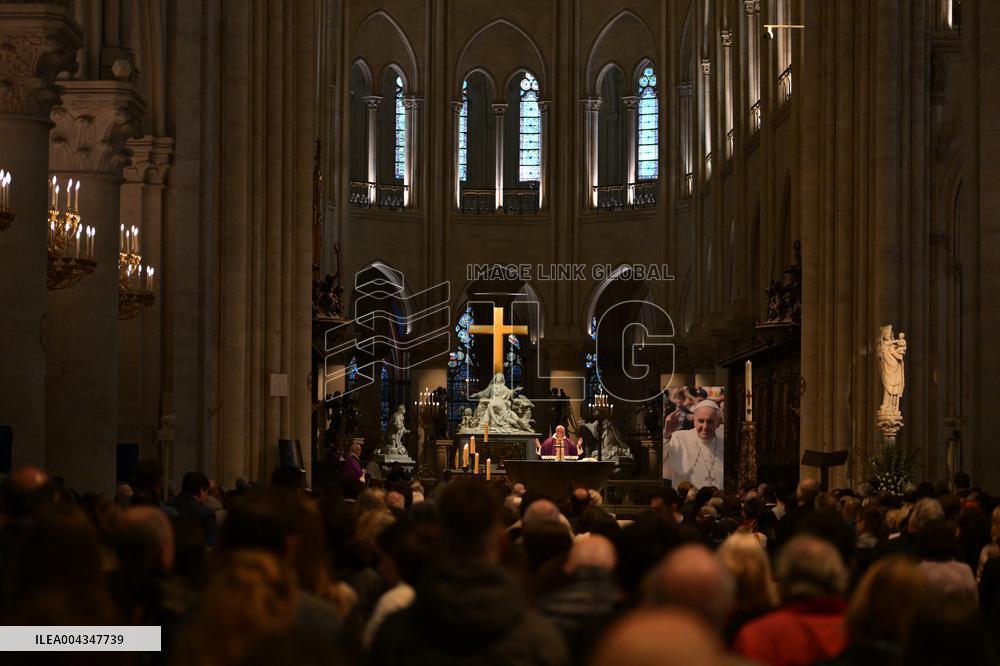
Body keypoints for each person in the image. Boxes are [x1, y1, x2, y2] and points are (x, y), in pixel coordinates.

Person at [662, 400, 723, 488]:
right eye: (701, 421)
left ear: (718, 423)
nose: (705, 427)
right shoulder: (678, 438)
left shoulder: (723, 443)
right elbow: (659, 460)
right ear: (694, 421)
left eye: (710, 422)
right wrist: (667, 433)